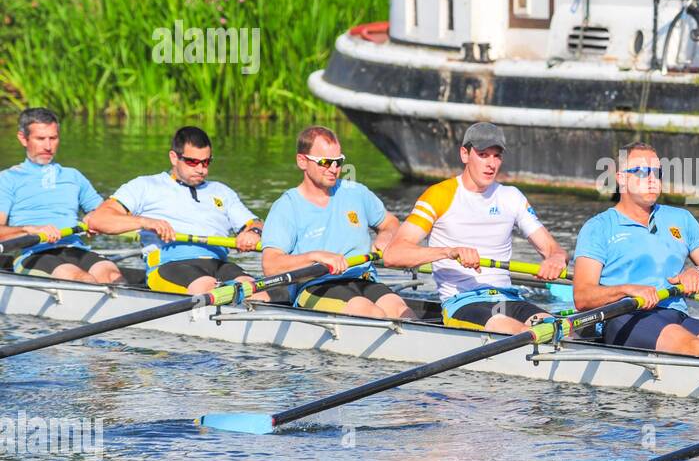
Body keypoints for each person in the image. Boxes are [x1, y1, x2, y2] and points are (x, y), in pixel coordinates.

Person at [382, 122, 566, 332]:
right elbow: (393, 254)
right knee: (523, 333)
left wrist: (556, 259)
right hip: (462, 303)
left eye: (496, 156)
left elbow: (552, 248)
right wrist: (449, 252)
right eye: (483, 154)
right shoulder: (439, 196)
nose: (491, 164)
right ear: (464, 154)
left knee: (559, 330)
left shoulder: (512, 197)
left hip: (507, 298)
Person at [573, 142, 699, 359]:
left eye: (657, 172)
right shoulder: (598, 227)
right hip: (625, 316)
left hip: (674, 313)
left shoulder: (681, 219)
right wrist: (627, 289)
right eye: (641, 172)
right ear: (621, 178)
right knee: (694, 349)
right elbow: (582, 296)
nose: (653, 179)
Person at [87, 126, 263, 296]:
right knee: (208, 287)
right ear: (173, 157)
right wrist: (145, 222)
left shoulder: (222, 191)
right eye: (193, 162)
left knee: (257, 291)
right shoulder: (145, 186)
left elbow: (255, 223)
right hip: (170, 265)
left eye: (206, 162)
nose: (201, 169)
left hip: (218, 264)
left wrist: (254, 232)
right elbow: (99, 219)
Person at [261, 125, 411, 318]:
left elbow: (390, 223)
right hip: (315, 286)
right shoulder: (287, 206)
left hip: (362, 279)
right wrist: (316, 256)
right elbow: (270, 265)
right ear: (302, 161)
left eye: (338, 162)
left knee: (401, 311)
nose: (334, 169)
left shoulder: (356, 192)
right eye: (325, 162)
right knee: (371, 313)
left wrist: (386, 236)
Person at [0, 108, 122, 284]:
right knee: (82, 279)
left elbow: (106, 214)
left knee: (112, 277)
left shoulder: (73, 176)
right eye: (40, 139)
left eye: (53, 138)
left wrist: (95, 218)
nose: (48, 146)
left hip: (74, 248)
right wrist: (30, 229)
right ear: (23, 138)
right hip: (33, 254)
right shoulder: (7, 179)